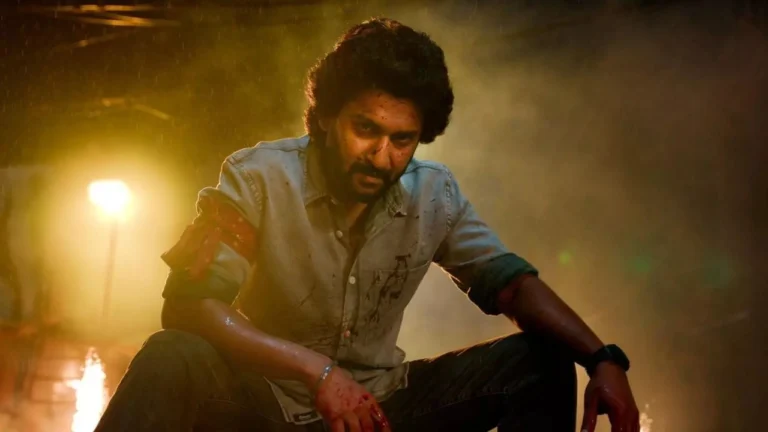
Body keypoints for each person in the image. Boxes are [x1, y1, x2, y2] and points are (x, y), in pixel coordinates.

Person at [96, 18, 639, 432]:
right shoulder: (259, 177)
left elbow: (513, 287)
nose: (382, 157)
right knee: (170, 355)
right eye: (365, 129)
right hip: (266, 404)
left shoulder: (434, 193)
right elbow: (188, 306)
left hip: (381, 409)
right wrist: (317, 372)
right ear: (326, 116)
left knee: (541, 360)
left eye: (402, 140)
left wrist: (603, 360)